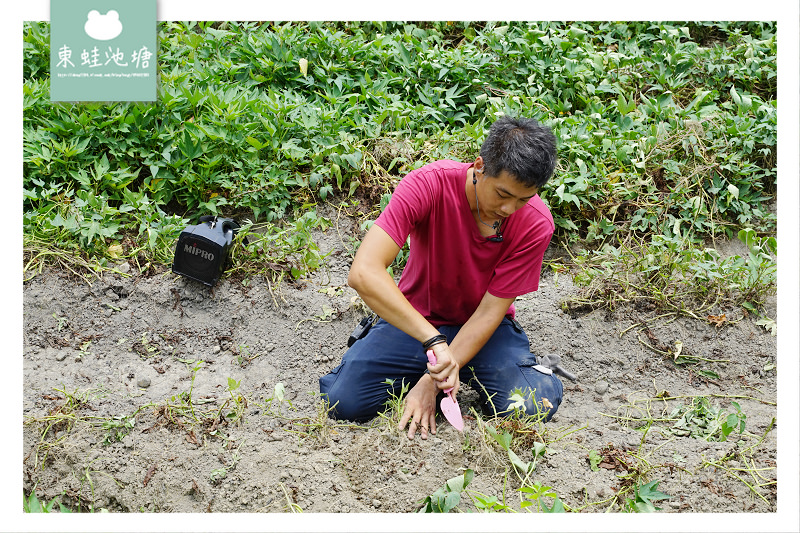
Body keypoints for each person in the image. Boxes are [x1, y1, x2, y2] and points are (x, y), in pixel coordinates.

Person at [319, 115, 563, 440]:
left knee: (531, 405)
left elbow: (491, 311)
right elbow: (364, 272)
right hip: (415, 321)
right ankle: (400, 352)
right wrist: (434, 342)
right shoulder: (428, 185)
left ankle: (533, 370)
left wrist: (430, 384)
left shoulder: (535, 223)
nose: (509, 209)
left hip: (485, 330)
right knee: (342, 401)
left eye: (523, 199)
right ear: (480, 166)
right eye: (503, 194)